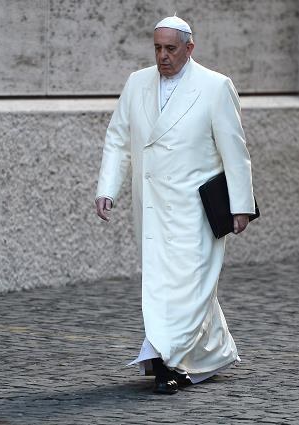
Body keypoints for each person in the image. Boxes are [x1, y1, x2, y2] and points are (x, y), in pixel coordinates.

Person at [95, 15, 255, 394]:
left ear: (189, 48)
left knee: (188, 283)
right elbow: (118, 138)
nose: (162, 56)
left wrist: (241, 204)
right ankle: (212, 353)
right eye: (157, 48)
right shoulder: (137, 83)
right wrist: (107, 188)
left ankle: (166, 358)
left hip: (195, 209)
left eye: (170, 48)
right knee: (171, 282)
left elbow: (235, 150)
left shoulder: (216, 87)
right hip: (150, 206)